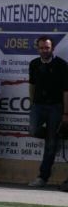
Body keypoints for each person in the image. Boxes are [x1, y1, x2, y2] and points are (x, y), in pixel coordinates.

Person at [27, 36, 68, 187]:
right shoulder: (34, 64)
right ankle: (52, 137)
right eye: (42, 48)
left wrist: (65, 113)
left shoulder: (61, 65)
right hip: (38, 106)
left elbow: (66, 91)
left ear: (52, 48)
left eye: (47, 48)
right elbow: (31, 85)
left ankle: (42, 177)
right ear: (38, 49)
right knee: (33, 130)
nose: (45, 50)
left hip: (55, 107)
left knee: (50, 145)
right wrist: (32, 103)